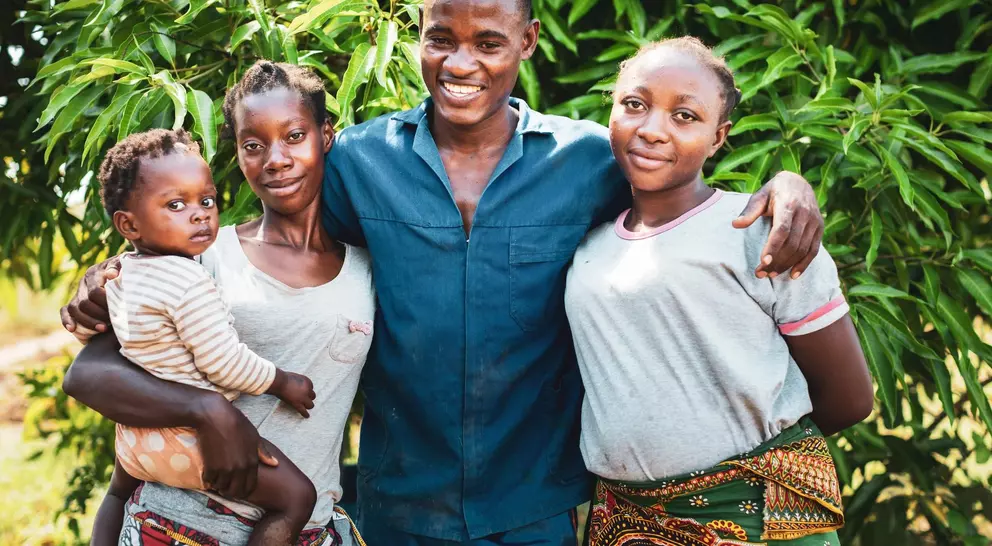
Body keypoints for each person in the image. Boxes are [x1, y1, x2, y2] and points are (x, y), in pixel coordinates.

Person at [61, 1, 827, 543]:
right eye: (440, 38)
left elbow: (679, 197)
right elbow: (252, 231)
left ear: (527, 42)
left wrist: (788, 187)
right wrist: (114, 274)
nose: (461, 62)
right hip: (399, 505)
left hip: (537, 507)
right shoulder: (359, 158)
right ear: (420, 38)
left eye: (489, 42)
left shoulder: (588, 159)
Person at [565, 37, 874, 545]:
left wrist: (729, 455)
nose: (653, 129)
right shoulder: (587, 242)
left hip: (753, 515)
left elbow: (849, 398)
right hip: (628, 523)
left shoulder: (764, 233)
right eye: (634, 105)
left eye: (685, 116)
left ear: (718, 136)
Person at [68, 63, 373, 546]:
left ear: (326, 136)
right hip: (178, 523)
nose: (276, 159)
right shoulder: (197, 257)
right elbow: (87, 374)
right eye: (253, 146)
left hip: (306, 529)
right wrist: (208, 410)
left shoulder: (370, 268)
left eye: (295, 136)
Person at [88, 128, 320, 546]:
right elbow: (223, 363)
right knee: (297, 499)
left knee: (117, 493)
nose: (199, 214)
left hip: (138, 433)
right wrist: (283, 382)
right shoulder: (186, 279)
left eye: (206, 201)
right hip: (190, 440)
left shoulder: (121, 273)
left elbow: (98, 333)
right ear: (128, 223)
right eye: (175, 205)